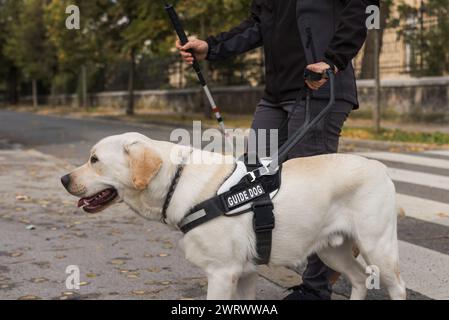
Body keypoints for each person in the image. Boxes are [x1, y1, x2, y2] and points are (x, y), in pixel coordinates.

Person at [177, 0, 379, 300]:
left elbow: (361, 9)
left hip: (320, 87)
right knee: (252, 179)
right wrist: (211, 47)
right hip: (275, 94)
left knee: (312, 192)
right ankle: (244, 264)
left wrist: (333, 60)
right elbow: (257, 24)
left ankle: (316, 288)